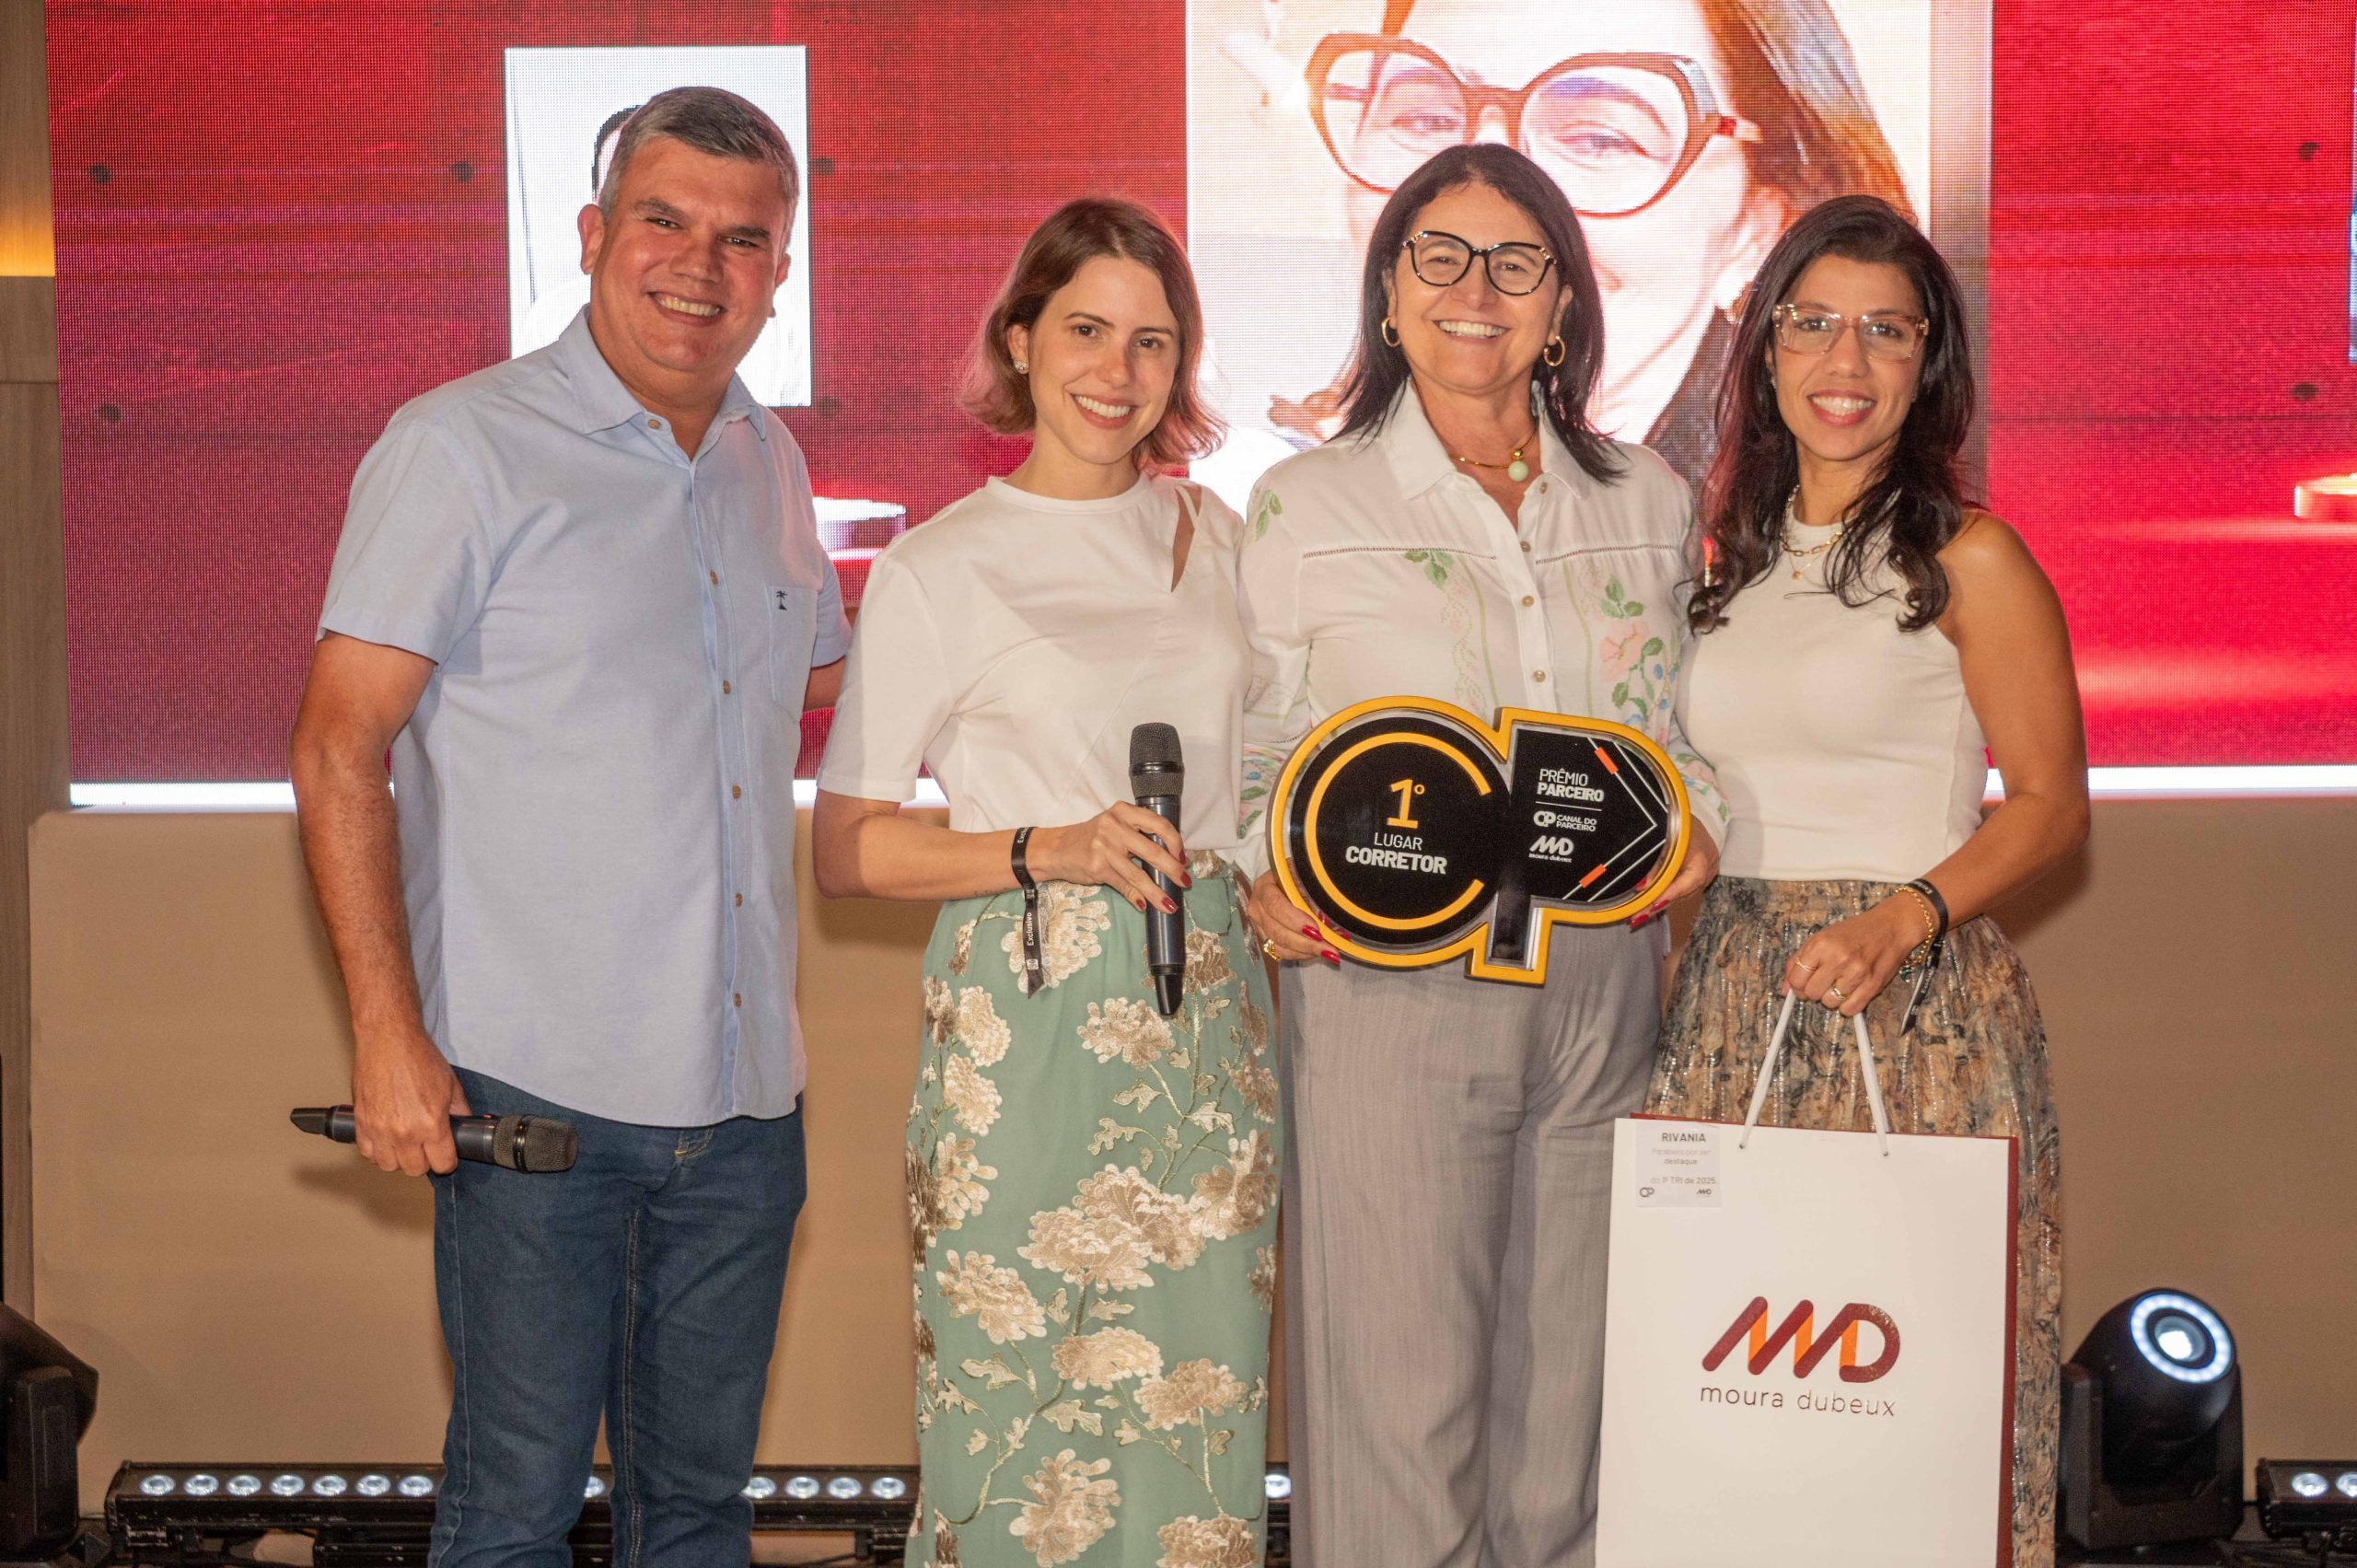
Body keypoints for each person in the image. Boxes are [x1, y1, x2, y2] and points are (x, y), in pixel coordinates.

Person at [289, 87, 844, 1568]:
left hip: (747, 1107)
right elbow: (338, 745)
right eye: (664, 219)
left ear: (779, 272)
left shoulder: (770, 460)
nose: (700, 264)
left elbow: (829, 691)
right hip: (532, 1098)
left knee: (701, 1515)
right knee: (514, 1512)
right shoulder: (461, 446)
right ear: (593, 233)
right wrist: (385, 1031)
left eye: (743, 238)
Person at [1235, 143, 1724, 1568]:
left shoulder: (1644, 495)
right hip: (1388, 977)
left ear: (1563, 302)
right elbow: (1254, 740)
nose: (1477, 288)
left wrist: (1695, 824)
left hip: (1603, 975)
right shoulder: (1307, 502)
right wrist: (1264, 866)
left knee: (1569, 1397)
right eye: (1439, 255)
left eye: (1518, 262)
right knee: (1397, 1403)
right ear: (1389, 293)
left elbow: (1685, 724)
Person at [812, 198, 1280, 1568]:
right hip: (1023, 1026)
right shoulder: (939, 565)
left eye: (1152, 340)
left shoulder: (1222, 536)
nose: (1116, 370)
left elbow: (1263, 769)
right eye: (1085, 330)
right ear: (1019, 339)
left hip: (1208, 1025)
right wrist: (1051, 846)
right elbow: (847, 848)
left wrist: (1269, 875)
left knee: (1195, 1424)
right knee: (1016, 1425)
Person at [1643, 193, 2084, 1567]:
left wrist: (1905, 916)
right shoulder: (1725, 565)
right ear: (1765, 348)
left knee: (1915, 1407)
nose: (1847, 360)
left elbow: (2052, 807)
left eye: (1887, 331)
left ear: (1926, 362)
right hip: (1728, 1000)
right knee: (1730, 1401)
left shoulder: (1968, 556)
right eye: (1815, 323)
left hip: (1914, 1004)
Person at [1197, 0, 1910, 507]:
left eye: (1601, 138)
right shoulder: (1251, 518)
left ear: (1759, 232)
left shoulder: (1801, 576)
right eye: (1426, 117)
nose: (1484, 202)